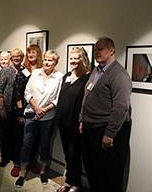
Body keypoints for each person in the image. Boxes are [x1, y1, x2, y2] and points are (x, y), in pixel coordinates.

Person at [79, 37, 132, 192]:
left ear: (111, 50)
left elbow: (121, 107)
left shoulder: (119, 74)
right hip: (91, 128)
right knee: (93, 170)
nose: (96, 52)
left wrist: (109, 134)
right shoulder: (96, 71)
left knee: (108, 174)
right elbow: (86, 96)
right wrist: (82, 119)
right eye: (95, 49)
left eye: (100, 49)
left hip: (105, 131)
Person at [15, 50, 63, 187]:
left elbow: (58, 98)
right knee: (26, 145)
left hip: (48, 117)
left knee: (45, 146)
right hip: (31, 114)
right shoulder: (35, 73)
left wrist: (44, 110)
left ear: (56, 62)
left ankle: (43, 172)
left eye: (51, 60)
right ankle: (22, 172)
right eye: (46, 59)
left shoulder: (59, 77)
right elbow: (27, 92)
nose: (47, 62)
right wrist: (36, 108)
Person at [56, 47, 91, 192]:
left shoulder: (88, 78)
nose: (73, 61)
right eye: (71, 58)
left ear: (83, 59)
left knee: (74, 153)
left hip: (75, 123)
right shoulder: (66, 76)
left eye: (76, 58)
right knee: (67, 154)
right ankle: (69, 181)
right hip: (62, 121)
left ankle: (75, 183)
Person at [13, 44, 43, 176]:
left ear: (38, 54)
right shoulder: (22, 70)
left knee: (35, 138)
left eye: (34, 52)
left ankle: (31, 162)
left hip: (38, 109)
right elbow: (17, 93)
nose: (31, 55)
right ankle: (17, 164)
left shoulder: (43, 70)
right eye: (29, 52)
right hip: (23, 110)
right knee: (21, 139)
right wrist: (20, 113)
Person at [0, 48, 24, 172]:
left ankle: (14, 158)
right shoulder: (7, 71)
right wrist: (1, 107)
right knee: (5, 134)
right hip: (6, 108)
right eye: (14, 56)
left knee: (17, 135)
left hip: (18, 109)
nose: (16, 58)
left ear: (22, 58)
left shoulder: (24, 71)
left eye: (19, 56)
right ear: (11, 58)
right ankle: (5, 158)